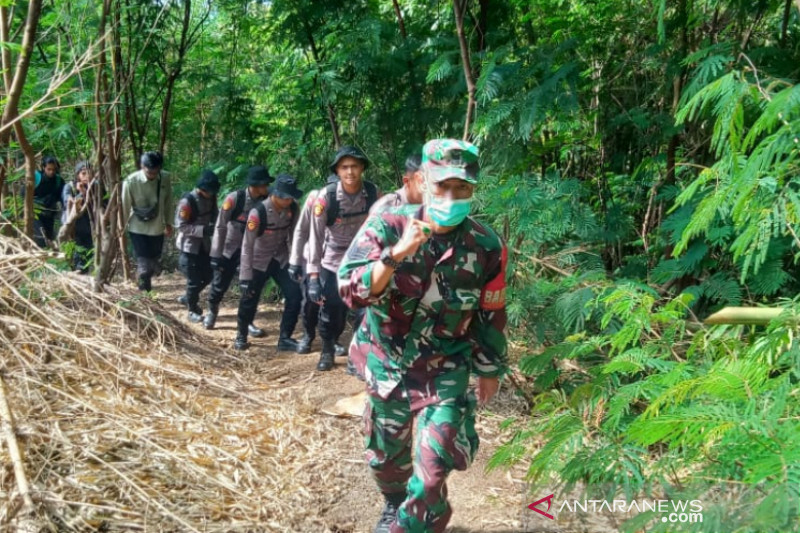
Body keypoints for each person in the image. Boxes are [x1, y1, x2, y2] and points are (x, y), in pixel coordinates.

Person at [338, 139, 508, 533]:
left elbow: (491, 311)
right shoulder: (388, 224)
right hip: (387, 361)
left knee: (432, 474)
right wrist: (396, 254)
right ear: (422, 181)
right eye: (442, 185)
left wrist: (488, 369)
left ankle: (415, 522)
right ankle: (397, 504)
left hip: (444, 366)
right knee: (385, 460)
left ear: (473, 189)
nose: (451, 195)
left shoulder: (486, 245)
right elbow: (350, 291)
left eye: (461, 188)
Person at [307, 146, 379, 371]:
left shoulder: (374, 193)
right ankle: (327, 350)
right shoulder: (326, 197)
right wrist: (313, 276)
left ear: (362, 168)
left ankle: (356, 357)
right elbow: (315, 236)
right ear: (337, 171)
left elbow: (381, 226)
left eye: (355, 166)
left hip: (363, 259)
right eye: (345, 167)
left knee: (364, 311)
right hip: (333, 260)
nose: (350, 172)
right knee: (332, 311)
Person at [235, 174, 304, 351]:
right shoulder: (258, 212)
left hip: (280, 259)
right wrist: (245, 275)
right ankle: (241, 335)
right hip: (258, 260)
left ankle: (285, 338)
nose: (289, 201)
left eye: (291, 198)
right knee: (249, 298)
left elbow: (295, 236)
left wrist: (296, 263)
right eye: (286, 198)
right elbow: (247, 245)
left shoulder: (293, 209)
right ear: (276, 195)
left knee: (295, 294)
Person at [204, 165, 273, 339]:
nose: (267, 187)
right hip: (230, 249)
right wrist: (215, 254)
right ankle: (212, 310)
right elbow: (220, 226)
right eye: (265, 184)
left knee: (251, 288)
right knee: (220, 284)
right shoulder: (234, 199)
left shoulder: (268, 200)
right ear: (255, 185)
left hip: (252, 251)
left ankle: (247, 321)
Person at [287, 174, 347, 356]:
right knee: (311, 301)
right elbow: (301, 230)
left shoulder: (353, 201)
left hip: (338, 260)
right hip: (313, 258)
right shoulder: (316, 198)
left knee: (339, 303)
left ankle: (333, 339)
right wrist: (295, 261)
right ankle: (308, 335)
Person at [122, 151, 173, 291]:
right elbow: (124, 205)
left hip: (157, 227)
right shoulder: (130, 181)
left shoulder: (165, 178)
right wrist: (120, 228)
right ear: (142, 166)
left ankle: (147, 286)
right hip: (137, 227)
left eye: (155, 172)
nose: (152, 175)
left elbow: (169, 201)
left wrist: (169, 223)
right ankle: (144, 292)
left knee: (153, 260)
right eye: (149, 172)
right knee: (143, 262)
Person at [175, 170, 220, 323]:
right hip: (189, 247)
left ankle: (188, 297)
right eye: (210, 191)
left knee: (208, 276)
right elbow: (181, 226)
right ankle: (192, 310)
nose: (212, 194)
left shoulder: (212, 197)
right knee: (194, 281)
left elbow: (216, 215)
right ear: (202, 188)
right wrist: (202, 230)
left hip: (205, 245)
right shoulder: (187, 202)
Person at [60, 161, 95, 272]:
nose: (87, 176)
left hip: (90, 226)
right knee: (77, 256)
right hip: (74, 228)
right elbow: (67, 202)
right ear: (78, 175)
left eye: (89, 173)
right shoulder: (70, 187)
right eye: (84, 173)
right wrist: (81, 194)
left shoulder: (96, 185)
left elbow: (104, 202)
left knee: (89, 254)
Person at [32, 156, 64, 248]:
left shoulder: (59, 181)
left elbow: (63, 198)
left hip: (49, 215)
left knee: (49, 240)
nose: (51, 172)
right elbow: (23, 195)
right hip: (35, 214)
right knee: (41, 238)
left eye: (54, 169)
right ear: (43, 168)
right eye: (48, 169)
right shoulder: (36, 178)